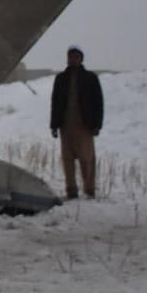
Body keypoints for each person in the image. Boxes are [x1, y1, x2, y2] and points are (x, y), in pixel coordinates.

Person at [50, 46, 103, 199]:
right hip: (66, 124)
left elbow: (98, 102)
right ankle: (71, 190)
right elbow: (55, 102)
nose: (73, 59)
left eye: (76, 57)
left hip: (84, 124)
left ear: (81, 59)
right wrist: (54, 125)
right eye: (70, 57)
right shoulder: (61, 79)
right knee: (67, 159)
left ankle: (89, 189)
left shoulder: (90, 78)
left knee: (86, 158)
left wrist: (97, 124)